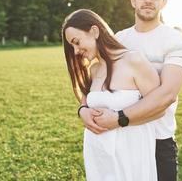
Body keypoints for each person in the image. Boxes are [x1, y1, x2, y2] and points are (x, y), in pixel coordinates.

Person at [78, 0, 182, 180]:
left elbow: (167, 95)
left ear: (164, 2)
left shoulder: (175, 40)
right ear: (133, 0)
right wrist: (83, 109)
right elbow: (95, 80)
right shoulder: (119, 39)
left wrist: (119, 118)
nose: (148, 0)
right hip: (122, 141)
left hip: (158, 141)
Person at [62, 9, 160, 180]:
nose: (76, 51)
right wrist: (82, 110)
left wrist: (119, 118)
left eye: (77, 42)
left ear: (94, 31)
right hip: (99, 157)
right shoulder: (94, 69)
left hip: (130, 156)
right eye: (72, 46)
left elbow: (159, 108)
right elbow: (86, 100)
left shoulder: (133, 60)